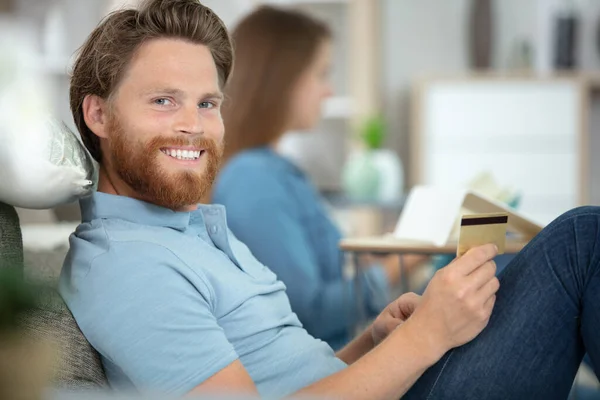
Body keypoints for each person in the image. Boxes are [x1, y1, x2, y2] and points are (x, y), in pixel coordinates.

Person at [59, 0, 600, 398]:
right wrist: (427, 337)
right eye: (162, 100)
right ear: (98, 114)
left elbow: (283, 378)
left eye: (206, 103)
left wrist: (375, 342)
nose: (192, 125)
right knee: (581, 242)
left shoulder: (188, 229)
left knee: (527, 255)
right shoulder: (129, 265)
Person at [212, 6, 420, 349]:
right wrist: (407, 261)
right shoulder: (253, 180)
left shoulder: (277, 170)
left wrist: (377, 255)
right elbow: (310, 311)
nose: (328, 91)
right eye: (321, 74)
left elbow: (319, 267)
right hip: (331, 367)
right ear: (282, 80)